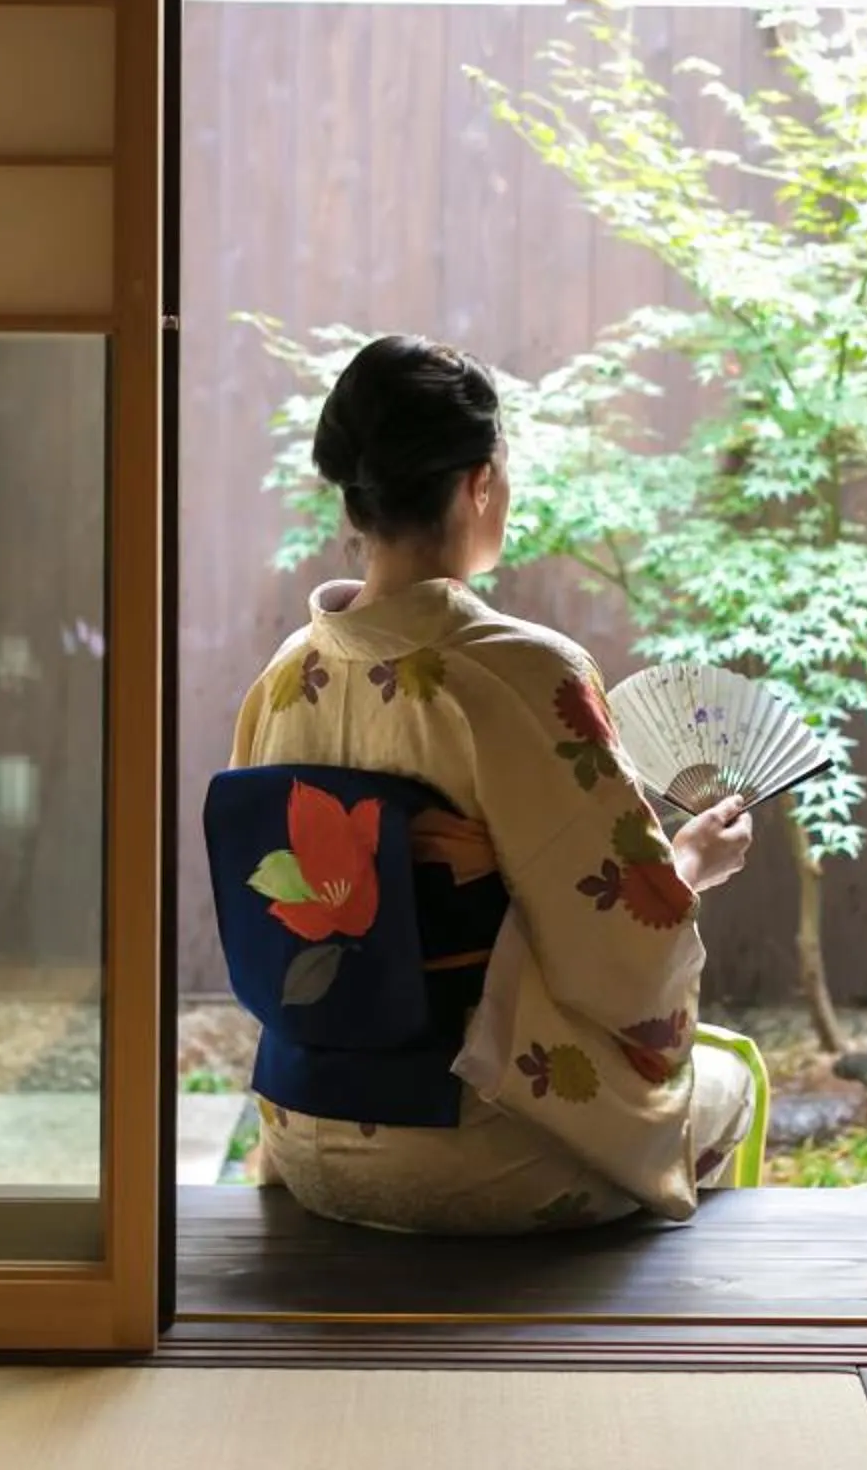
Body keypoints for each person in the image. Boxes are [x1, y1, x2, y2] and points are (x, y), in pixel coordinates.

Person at [229, 334, 761, 1233]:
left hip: (298, 1126)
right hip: (472, 1148)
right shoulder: (521, 675)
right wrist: (690, 866)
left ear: (354, 495)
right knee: (733, 1078)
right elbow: (622, 942)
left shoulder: (285, 675)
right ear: (480, 482)